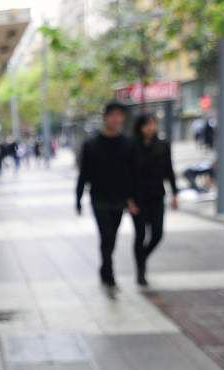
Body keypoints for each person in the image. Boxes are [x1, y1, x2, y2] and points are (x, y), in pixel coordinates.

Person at [76, 101, 134, 292]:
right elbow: (84, 173)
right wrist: (78, 199)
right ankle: (109, 275)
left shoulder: (127, 143)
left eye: (120, 115)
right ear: (105, 117)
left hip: (119, 199)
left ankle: (104, 267)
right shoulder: (91, 144)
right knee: (106, 234)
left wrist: (132, 198)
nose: (117, 119)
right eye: (113, 115)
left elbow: (131, 174)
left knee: (112, 238)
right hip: (99, 198)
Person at [129, 114, 179, 287]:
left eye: (153, 124)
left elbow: (170, 170)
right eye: (147, 125)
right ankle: (141, 271)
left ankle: (142, 257)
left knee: (157, 234)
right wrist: (128, 199)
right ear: (140, 127)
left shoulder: (163, 145)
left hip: (157, 195)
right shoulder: (131, 146)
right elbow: (126, 175)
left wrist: (175, 193)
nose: (150, 128)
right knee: (140, 235)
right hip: (137, 198)